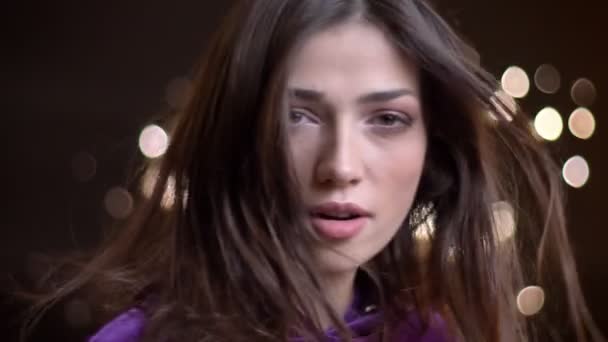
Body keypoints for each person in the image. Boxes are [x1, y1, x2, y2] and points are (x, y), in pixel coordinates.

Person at [22, 0, 605, 341]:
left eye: (386, 119)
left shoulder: (430, 335)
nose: (340, 167)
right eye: (298, 116)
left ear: (435, 144)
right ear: (238, 135)